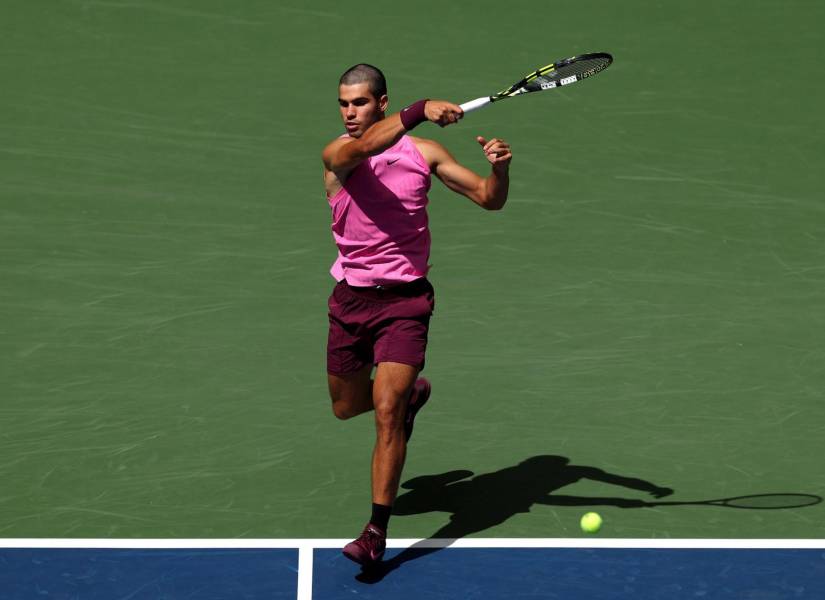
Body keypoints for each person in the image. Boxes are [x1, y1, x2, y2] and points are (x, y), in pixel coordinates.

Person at [322, 63, 513, 567]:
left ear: (380, 103)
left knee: (386, 412)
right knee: (346, 407)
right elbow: (364, 149)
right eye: (343, 103)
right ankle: (412, 397)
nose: (349, 113)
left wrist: (500, 168)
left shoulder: (424, 154)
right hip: (350, 303)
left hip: (406, 304)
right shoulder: (337, 157)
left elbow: (488, 201)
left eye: (360, 103)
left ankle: (374, 532)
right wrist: (421, 109)